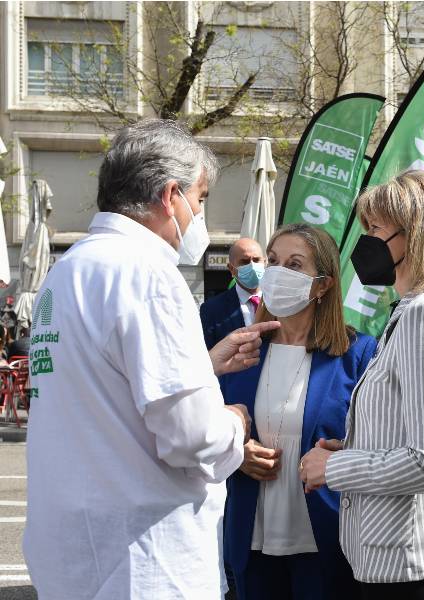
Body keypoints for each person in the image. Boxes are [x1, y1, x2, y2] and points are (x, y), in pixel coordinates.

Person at [23, 119, 276, 600]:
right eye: (200, 200)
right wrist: (234, 422)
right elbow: (191, 436)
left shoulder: (70, 268)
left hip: (76, 555)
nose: (200, 216)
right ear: (171, 195)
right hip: (145, 559)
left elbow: (106, 387)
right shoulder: (148, 274)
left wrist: (203, 366)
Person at [299, 170, 424, 599]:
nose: (365, 240)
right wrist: (355, 448)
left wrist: (335, 468)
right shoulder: (420, 309)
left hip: (420, 564)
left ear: (417, 233)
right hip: (410, 560)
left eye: (375, 229)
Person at [220, 223, 377, 600]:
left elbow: (374, 441)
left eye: (294, 265)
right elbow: (213, 429)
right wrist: (237, 454)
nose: (276, 273)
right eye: (272, 261)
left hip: (325, 541)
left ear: (322, 285)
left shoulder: (358, 355)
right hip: (252, 539)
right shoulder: (242, 350)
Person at [201, 237, 266, 349]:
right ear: (231, 269)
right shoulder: (211, 309)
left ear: (265, 262)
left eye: (256, 260)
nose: (252, 266)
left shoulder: (280, 302)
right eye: (244, 262)